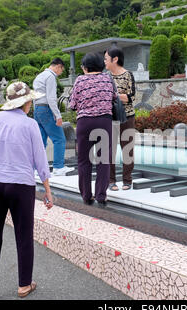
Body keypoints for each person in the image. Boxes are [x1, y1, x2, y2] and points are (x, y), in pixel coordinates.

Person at [0, 82, 53, 300]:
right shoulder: (29, 125)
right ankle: (24, 285)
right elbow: (40, 160)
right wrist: (47, 190)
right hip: (21, 184)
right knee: (23, 235)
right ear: (26, 102)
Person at [69, 52, 115, 206]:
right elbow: (114, 97)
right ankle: (101, 195)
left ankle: (86, 195)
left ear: (86, 67)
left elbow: (72, 104)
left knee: (84, 160)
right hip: (104, 122)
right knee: (103, 160)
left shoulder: (80, 80)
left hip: (85, 123)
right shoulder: (108, 79)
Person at [33, 58, 73, 176]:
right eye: (61, 70)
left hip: (38, 109)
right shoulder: (50, 77)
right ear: (58, 66)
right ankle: (58, 167)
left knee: (41, 142)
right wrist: (58, 115)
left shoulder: (39, 76)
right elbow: (51, 98)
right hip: (46, 109)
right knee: (59, 139)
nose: (61, 72)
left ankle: (36, 168)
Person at [104, 46, 136, 191]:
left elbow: (131, 97)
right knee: (109, 149)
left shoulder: (128, 75)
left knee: (127, 148)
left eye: (106, 58)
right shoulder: (104, 76)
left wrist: (114, 96)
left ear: (115, 59)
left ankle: (127, 180)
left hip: (127, 117)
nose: (104, 61)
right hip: (109, 117)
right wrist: (118, 97)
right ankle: (111, 181)